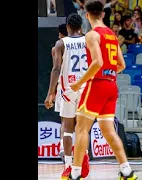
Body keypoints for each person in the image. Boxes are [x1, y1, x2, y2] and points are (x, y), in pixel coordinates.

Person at [69, 0, 138, 179]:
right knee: (108, 131)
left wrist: (78, 83)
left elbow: (97, 62)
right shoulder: (112, 35)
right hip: (111, 85)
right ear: (103, 14)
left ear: (87, 15)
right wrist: (108, 72)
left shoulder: (92, 35)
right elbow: (121, 64)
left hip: (97, 85)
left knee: (81, 129)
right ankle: (127, 171)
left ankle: (75, 174)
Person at [44, 13, 90, 179]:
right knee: (83, 127)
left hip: (69, 89)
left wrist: (50, 93)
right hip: (86, 88)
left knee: (68, 128)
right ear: (81, 27)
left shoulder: (61, 43)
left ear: (68, 27)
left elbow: (56, 69)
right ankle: (84, 157)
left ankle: (69, 166)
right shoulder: (89, 41)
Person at [50, 24, 68, 161]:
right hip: (77, 84)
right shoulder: (80, 45)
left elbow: (56, 69)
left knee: (64, 120)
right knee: (79, 121)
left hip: (62, 85)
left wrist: (52, 92)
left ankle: (62, 146)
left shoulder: (56, 48)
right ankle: (81, 150)